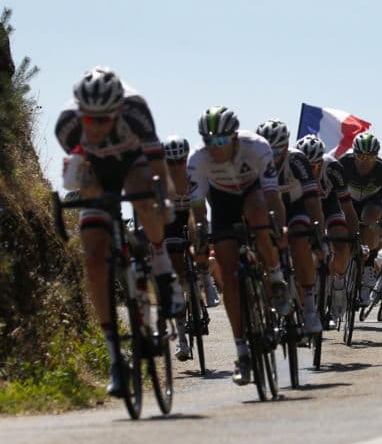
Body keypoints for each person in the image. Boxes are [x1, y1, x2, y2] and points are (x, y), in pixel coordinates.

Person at [54, 66, 184, 395]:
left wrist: (163, 203)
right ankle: (115, 358)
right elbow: (86, 182)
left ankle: (161, 265)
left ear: (117, 110)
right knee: (95, 261)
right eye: (89, 119)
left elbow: (159, 172)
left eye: (103, 119)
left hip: (134, 162)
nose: (94, 126)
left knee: (145, 198)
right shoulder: (67, 126)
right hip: (94, 169)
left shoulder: (136, 111)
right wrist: (100, 202)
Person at [188, 106, 287, 385]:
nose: (215, 147)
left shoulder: (257, 147)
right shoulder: (197, 159)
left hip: (253, 193)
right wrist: (199, 236)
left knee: (259, 213)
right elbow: (198, 211)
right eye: (209, 141)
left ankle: (276, 277)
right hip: (222, 204)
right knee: (229, 276)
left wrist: (278, 226)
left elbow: (273, 197)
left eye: (220, 141)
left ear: (233, 136)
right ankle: (242, 351)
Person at [257, 119, 327, 333]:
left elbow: (313, 202)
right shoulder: (254, 160)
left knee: (299, 241)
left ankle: (309, 307)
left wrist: (317, 235)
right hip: (269, 209)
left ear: (286, 147)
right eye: (268, 151)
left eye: (277, 151)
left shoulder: (297, 160)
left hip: (297, 207)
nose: (273, 156)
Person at [162, 135, 220, 361]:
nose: (176, 165)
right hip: (170, 221)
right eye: (171, 161)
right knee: (176, 277)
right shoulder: (160, 177)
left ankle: (206, 277)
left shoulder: (194, 171)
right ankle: (183, 340)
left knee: (199, 230)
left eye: (180, 160)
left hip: (192, 214)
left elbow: (207, 203)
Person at [295, 134, 358, 320]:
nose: (312, 170)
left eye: (315, 166)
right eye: (308, 166)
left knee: (340, 239)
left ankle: (339, 284)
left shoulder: (333, 168)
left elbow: (347, 206)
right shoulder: (293, 166)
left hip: (329, 205)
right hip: (303, 205)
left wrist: (353, 236)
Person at [338, 133, 382, 304]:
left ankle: (369, 266)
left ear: (376, 156)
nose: (364, 161)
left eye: (370, 157)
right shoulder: (344, 162)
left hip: (373, 199)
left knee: (370, 221)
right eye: (360, 156)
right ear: (354, 154)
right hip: (349, 198)